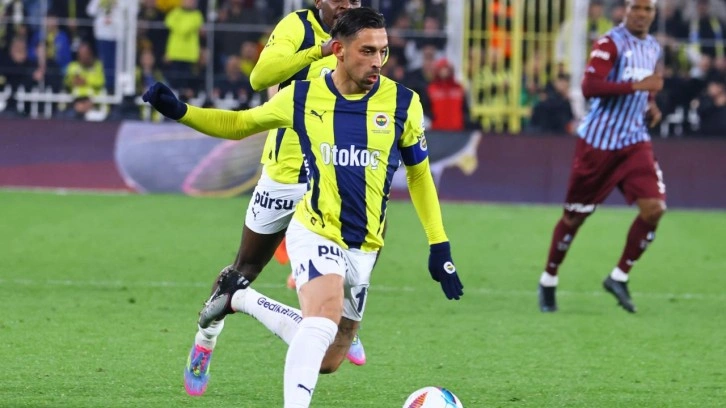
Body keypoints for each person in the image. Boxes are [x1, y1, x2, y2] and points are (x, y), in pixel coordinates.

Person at [143, 8, 463, 407]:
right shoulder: (303, 94)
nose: (378, 61)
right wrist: (181, 111)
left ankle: (240, 298)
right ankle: (218, 331)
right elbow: (241, 124)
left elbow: (419, 174)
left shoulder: (403, 103)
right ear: (338, 50)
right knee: (319, 318)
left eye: (383, 51)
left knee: (329, 359)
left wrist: (439, 244)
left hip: (365, 242)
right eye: (367, 51)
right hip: (314, 226)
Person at [172, 0, 367, 397]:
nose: (348, 4)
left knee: (350, 252)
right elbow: (260, 77)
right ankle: (205, 338)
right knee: (244, 268)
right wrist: (320, 51)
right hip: (284, 173)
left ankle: (339, 324)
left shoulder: (365, 36)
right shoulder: (297, 27)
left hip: (329, 173)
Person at [537, 0, 665, 314]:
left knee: (654, 209)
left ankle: (619, 276)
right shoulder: (609, 43)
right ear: (625, 10)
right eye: (636, 8)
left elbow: (645, 88)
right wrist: (637, 86)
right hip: (598, 145)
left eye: (648, 9)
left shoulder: (653, 48)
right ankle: (549, 278)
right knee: (574, 218)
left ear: (654, 13)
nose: (641, 14)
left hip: (635, 142)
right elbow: (590, 86)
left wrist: (650, 104)